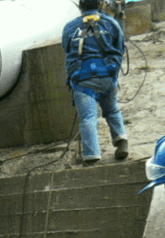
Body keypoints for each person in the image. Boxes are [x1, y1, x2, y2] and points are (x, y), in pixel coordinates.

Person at [62, 0, 128, 166]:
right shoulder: (111, 23)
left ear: (80, 6)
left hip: (83, 80)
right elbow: (120, 46)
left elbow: (67, 49)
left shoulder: (70, 27)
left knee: (88, 118)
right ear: (99, 5)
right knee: (112, 109)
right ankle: (121, 143)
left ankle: (92, 158)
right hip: (107, 76)